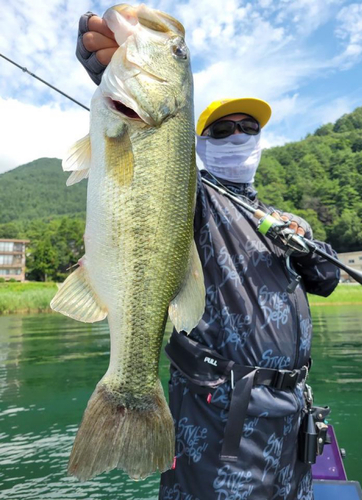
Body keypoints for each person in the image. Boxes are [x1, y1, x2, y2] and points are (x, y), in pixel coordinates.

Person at [76, 12, 340, 499]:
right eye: (221, 130)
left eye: (247, 127)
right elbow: (152, 183)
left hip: (292, 421)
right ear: (196, 143)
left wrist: (299, 242)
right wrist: (115, 76)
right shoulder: (194, 195)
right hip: (222, 420)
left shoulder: (280, 218)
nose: (237, 135)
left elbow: (327, 276)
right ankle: (129, 392)